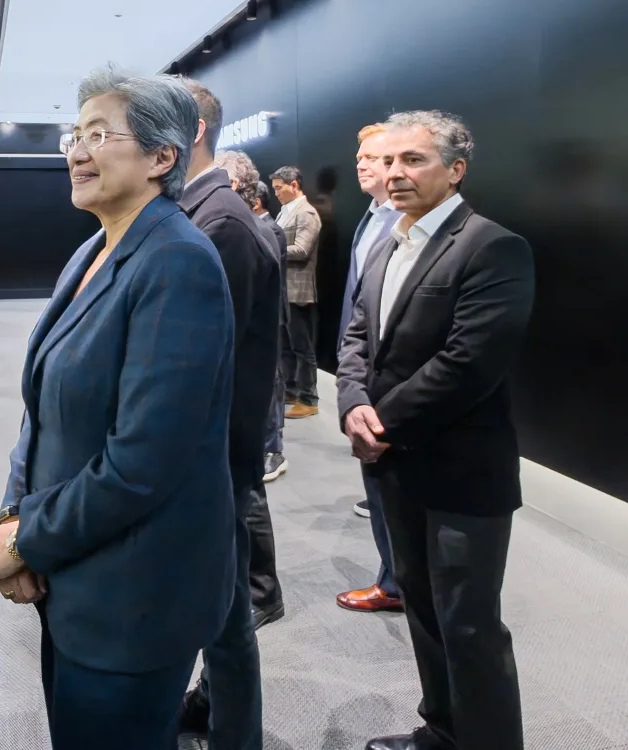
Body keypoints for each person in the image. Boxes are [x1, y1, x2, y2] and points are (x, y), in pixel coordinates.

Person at [0, 67, 237, 750]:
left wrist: (28, 540)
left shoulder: (178, 262)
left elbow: (143, 461)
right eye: (75, 135)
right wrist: (13, 516)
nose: (77, 152)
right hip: (76, 567)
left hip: (134, 593)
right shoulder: (93, 250)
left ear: (161, 158)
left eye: (99, 135)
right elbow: (41, 413)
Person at [337, 110, 532, 750]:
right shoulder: (388, 242)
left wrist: (381, 421)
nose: (394, 172)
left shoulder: (493, 246)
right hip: (396, 468)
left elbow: (469, 363)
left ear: (456, 170)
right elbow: (358, 337)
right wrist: (352, 402)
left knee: (469, 626)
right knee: (422, 610)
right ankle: (444, 731)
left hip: (461, 474)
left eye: (413, 159)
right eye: (388, 160)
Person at [178, 80, 280, 749]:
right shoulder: (197, 211)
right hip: (207, 455)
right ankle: (216, 712)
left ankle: (232, 731)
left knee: (227, 613)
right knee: (221, 607)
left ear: (189, 131)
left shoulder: (220, 221)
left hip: (212, 456)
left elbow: (210, 363)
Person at [214, 150, 286, 631]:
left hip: (247, 383)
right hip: (243, 381)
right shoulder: (245, 227)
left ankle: (263, 592)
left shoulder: (250, 231)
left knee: (248, 491)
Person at [334, 123, 404, 614]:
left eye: (372, 157)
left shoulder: (405, 223)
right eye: (359, 157)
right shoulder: (372, 216)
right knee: (379, 486)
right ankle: (395, 579)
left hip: (390, 378)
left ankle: (398, 584)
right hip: (363, 371)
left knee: (392, 487)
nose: (361, 164)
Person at [270, 166, 322, 419]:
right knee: (286, 346)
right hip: (284, 289)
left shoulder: (307, 213)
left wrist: (270, 245)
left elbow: (302, 249)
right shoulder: (285, 211)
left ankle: (309, 399)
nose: (276, 193)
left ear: (294, 185)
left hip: (298, 290)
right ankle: (291, 390)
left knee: (302, 347)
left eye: (279, 188)